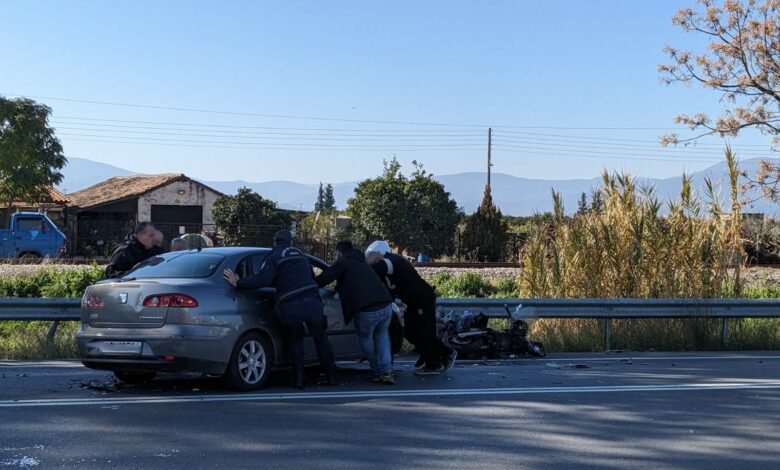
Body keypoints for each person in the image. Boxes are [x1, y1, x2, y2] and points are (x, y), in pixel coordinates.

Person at [223, 230, 336, 389]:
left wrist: (239, 282)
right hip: (312, 302)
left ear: (274, 242)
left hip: (292, 304)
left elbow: (263, 279)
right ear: (291, 242)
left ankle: (299, 380)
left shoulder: (273, 257)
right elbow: (311, 277)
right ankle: (331, 377)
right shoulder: (301, 255)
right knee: (321, 338)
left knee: (295, 339)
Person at [366, 240, 457, 375]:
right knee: (409, 332)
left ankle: (443, 355)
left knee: (424, 332)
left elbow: (379, 269)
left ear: (379, 254)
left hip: (422, 299)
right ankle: (429, 357)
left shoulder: (391, 260)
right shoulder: (387, 269)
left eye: (370, 256)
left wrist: (363, 268)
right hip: (412, 302)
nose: (368, 259)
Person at [315, 241, 396, 385]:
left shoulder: (343, 262)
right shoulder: (361, 262)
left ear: (339, 253)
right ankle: (387, 371)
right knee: (382, 338)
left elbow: (324, 279)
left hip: (367, 310)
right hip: (386, 305)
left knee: (366, 340)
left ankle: (377, 372)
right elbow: (352, 280)